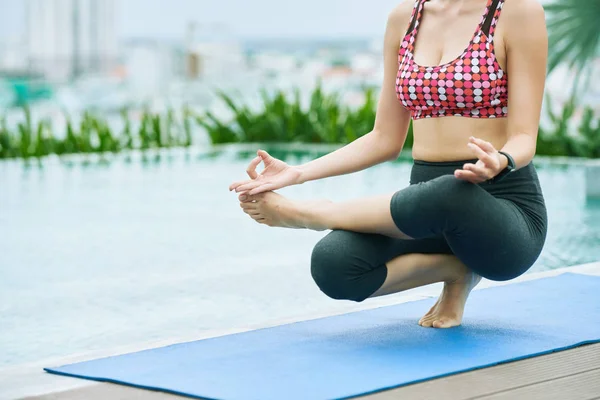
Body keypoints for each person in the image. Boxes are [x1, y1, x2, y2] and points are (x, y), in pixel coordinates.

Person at [229, 0, 548, 328]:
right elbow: (383, 139)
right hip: (425, 212)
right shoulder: (405, 19)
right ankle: (457, 270)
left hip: (502, 214)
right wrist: (298, 172)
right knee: (333, 265)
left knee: (453, 191)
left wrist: (502, 159)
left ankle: (312, 214)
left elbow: (524, 137)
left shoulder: (516, 11)